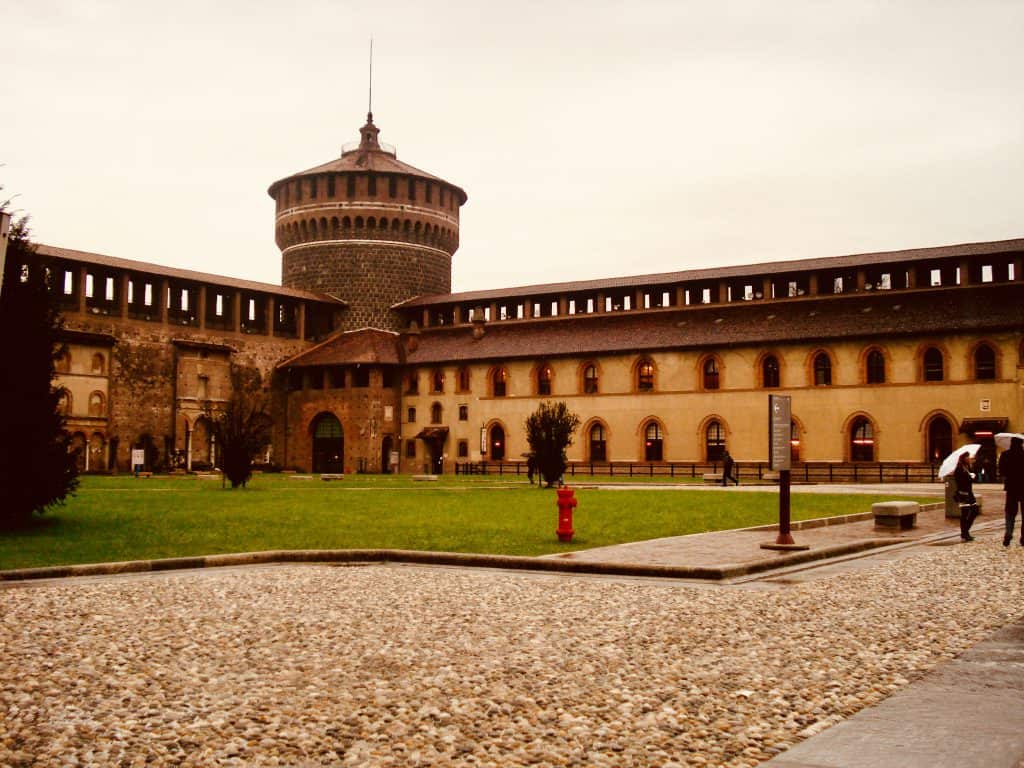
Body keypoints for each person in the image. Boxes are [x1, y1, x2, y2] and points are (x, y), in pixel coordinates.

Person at [998, 435, 1024, 547]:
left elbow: (1001, 472)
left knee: (1010, 513)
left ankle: (1008, 534)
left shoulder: (1005, 455)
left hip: (1011, 488)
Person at [952, 452, 979, 541]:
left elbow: (972, 480)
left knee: (975, 510)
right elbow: (959, 481)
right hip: (963, 493)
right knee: (965, 514)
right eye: (967, 456)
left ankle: (965, 531)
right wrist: (969, 478)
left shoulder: (968, 467)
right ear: (963, 458)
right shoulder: (959, 468)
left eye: (968, 456)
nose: (968, 458)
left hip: (969, 493)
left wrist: (973, 476)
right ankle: (964, 533)